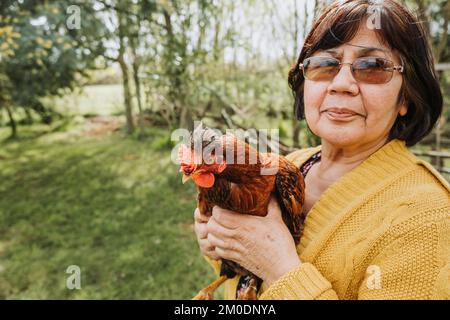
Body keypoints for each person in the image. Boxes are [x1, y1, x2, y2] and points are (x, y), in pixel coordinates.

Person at [194, 0, 450, 299]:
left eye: (372, 66)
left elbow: (270, 267)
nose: (342, 84)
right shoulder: (289, 166)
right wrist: (225, 248)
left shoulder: (429, 220)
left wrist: (279, 267)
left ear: (407, 97)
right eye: (325, 64)